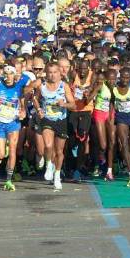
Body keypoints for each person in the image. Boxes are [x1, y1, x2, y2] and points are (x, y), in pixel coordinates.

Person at [0, 65, 28, 191]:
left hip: (13, 122)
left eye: (11, 74)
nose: (8, 76)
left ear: (14, 75)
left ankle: (8, 180)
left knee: (13, 149)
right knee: (1, 155)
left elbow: (23, 104)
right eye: (6, 74)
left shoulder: (19, 87)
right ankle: (5, 147)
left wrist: (23, 112)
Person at [35, 63, 76, 191]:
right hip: (47, 119)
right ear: (46, 74)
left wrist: (64, 104)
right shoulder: (42, 86)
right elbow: (35, 98)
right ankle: (48, 165)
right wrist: (38, 109)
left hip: (61, 120)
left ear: (59, 74)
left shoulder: (64, 86)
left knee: (59, 152)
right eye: (50, 72)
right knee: (47, 145)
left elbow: (73, 105)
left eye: (55, 72)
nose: (52, 75)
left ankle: (57, 175)